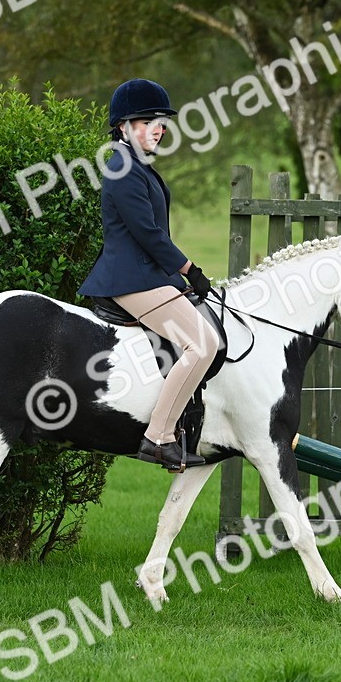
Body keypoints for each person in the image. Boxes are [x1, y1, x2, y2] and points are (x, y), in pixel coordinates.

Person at [79, 78, 219, 471]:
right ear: (123, 126)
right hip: (131, 279)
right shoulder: (122, 167)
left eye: (162, 121)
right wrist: (190, 269)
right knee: (202, 345)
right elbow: (148, 234)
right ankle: (158, 436)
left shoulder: (136, 164)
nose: (159, 128)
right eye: (148, 120)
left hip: (149, 276)